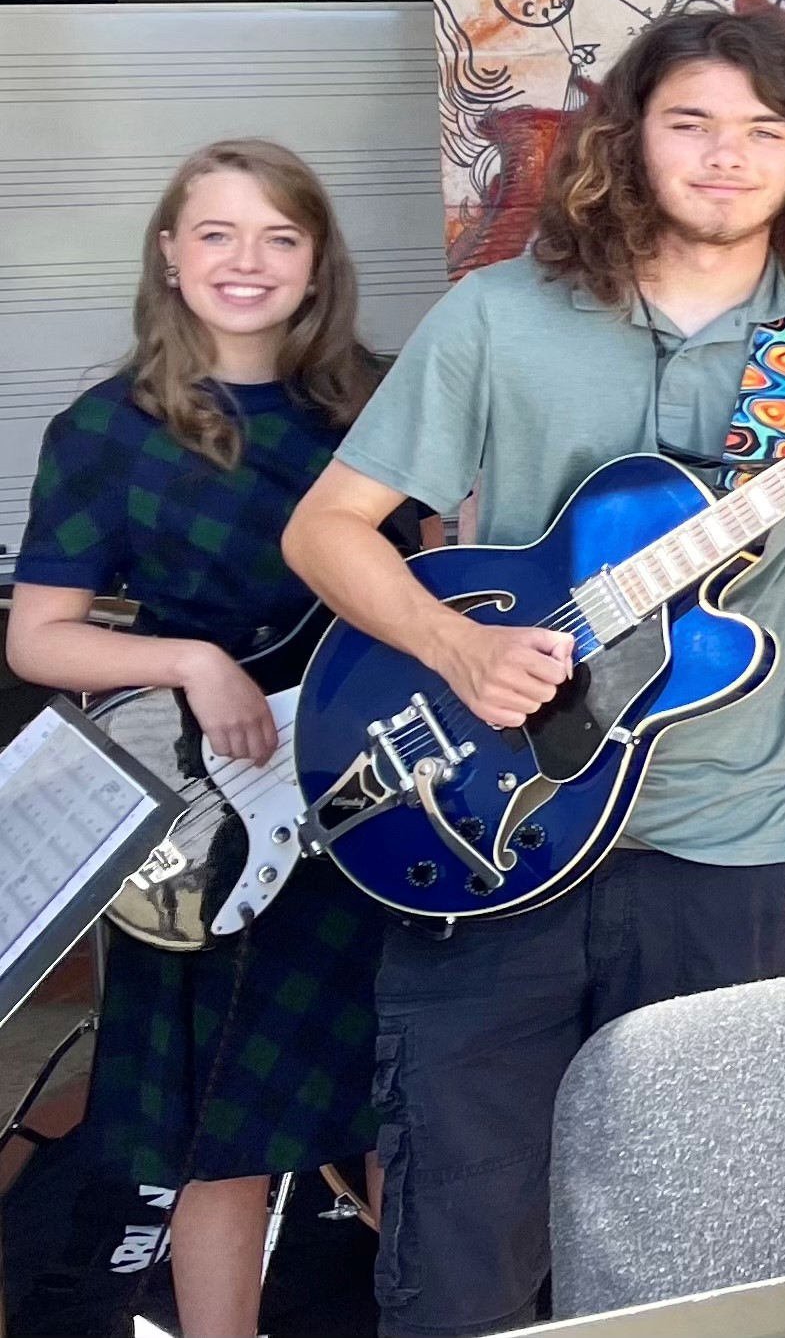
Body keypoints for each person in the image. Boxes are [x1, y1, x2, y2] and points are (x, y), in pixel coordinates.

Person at [284, 9, 785, 1337]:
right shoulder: (499, 314)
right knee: (460, 1254)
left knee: (708, 1250)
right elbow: (326, 529)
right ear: (629, 138)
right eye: (690, 122)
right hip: (483, 828)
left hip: (720, 848)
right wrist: (458, 643)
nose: (724, 156)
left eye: (762, 131)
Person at [9, 143, 391, 1338]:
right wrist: (187, 660)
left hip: (381, 791)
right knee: (214, 1132)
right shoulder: (104, 431)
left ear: (317, 262)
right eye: (216, 233)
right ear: (170, 256)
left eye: (280, 236)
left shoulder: (381, 405)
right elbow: (38, 637)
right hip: (214, 820)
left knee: (403, 1107)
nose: (247, 261)